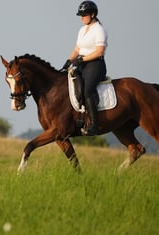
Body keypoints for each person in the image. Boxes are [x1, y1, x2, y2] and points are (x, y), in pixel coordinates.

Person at [61, 1, 108, 136]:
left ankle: (94, 124)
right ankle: (79, 118)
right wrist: (69, 60)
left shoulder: (99, 30)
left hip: (96, 65)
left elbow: (100, 51)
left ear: (93, 14)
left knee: (87, 90)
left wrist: (83, 59)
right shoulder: (82, 30)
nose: (82, 17)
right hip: (82, 64)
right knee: (73, 86)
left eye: (84, 15)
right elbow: (77, 49)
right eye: (80, 15)